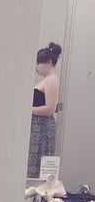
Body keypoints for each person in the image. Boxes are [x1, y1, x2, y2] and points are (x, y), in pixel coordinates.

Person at [27, 42, 61, 178]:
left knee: (39, 163)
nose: (36, 67)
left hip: (42, 128)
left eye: (38, 63)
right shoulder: (46, 79)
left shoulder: (51, 80)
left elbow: (50, 109)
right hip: (36, 127)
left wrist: (28, 110)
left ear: (49, 62)